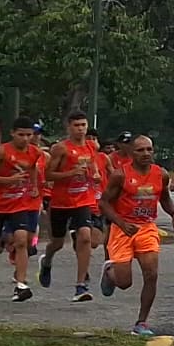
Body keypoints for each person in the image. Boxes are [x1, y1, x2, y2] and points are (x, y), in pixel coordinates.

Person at [102, 133, 173, 336]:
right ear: (131, 153)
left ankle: (141, 322)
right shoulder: (120, 175)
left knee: (151, 274)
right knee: (124, 283)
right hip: (123, 229)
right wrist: (122, 223)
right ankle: (110, 272)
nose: (146, 153)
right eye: (140, 150)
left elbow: (165, 198)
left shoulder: (161, 174)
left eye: (149, 149)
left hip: (147, 228)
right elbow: (104, 203)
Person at [0, 118, 49, 302]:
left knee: (21, 240)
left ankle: (21, 284)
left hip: (20, 203)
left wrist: (33, 186)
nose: (25, 139)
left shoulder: (35, 152)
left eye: (29, 135)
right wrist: (7, 181)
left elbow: (32, 168)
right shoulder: (2, 151)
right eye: (21, 135)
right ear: (12, 133)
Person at [43, 114, 107, 302]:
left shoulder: (91, 146)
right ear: (68, 127)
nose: (80, 129)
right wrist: (71, 173)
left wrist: (95, 176)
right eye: (76, 125)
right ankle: (46, 261)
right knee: (57, 242)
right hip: (62, 202)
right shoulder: (61, 148)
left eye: (83, 125)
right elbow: (48, 175)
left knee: (85, 237)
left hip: (83, 200)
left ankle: (81, 285)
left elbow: (94, 168)